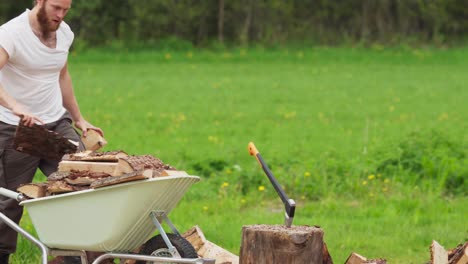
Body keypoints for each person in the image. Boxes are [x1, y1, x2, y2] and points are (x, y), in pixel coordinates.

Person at [0, 0, 103, 262]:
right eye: (56, 8)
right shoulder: (11, 33)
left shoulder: (65, 33)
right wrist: (15, 107)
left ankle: (72, 257)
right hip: (16, 129)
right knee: (10, 202)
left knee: (84, 184)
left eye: (66, 9)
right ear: (39, 1)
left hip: (56, 123)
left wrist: (80, 119)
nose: (61, 15)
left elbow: (62, 76)